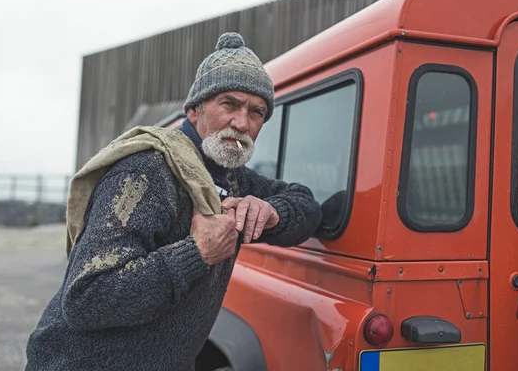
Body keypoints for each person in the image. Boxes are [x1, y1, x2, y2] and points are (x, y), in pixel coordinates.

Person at [25, 32, 322, 371]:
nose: (242, 122)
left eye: (257, 112)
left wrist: (272, 213)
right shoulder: (146, 172)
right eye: (229, 104)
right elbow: (87, 298)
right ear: (195, 109)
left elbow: (306, 205)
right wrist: (197, 254)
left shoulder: (234, 177)